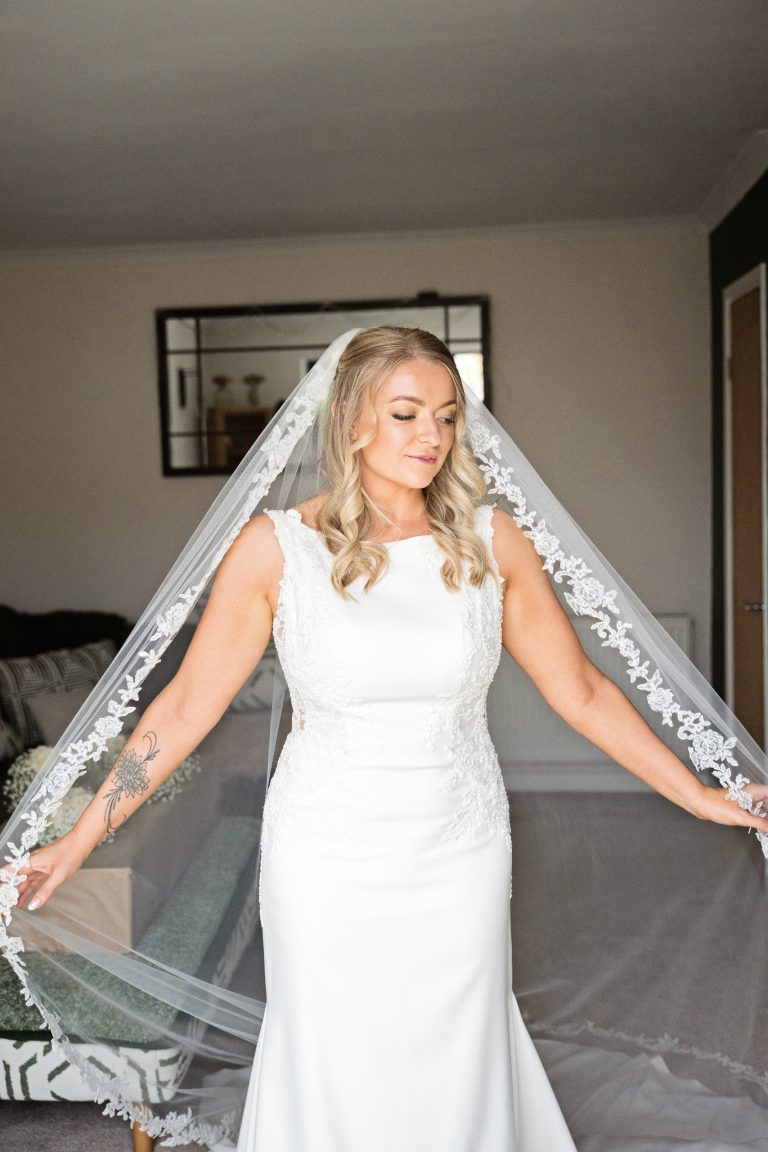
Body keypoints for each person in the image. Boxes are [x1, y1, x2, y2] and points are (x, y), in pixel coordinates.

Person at [3, 326, 768, 1150]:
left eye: (447, 416)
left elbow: (580, 691)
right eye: (406, 414)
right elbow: (185, 706)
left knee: (455, 1045)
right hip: (326, 854)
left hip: (460, 847)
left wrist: (699, 792)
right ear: (350, 419)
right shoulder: (274, 550)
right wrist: (80, 837)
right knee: (338, 1048)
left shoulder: (491, 543)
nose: (433, 437)